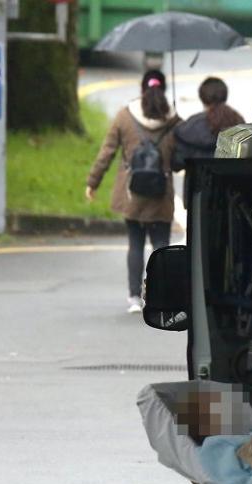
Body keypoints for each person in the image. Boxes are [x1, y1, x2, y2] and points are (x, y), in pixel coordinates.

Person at [86, 70, 180, 314]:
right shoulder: (174, 121)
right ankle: (162, 297)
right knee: (161, 246)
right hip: (161, 194)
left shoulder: (124, 116)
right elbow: (180, 159)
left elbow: (107, 152)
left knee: (135, 244)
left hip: (131, 194)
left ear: (141, 89)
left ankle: (135, 298)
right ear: (164, 90)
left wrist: (93, 182)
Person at [172, 77, 245, 170]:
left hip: (198, 178)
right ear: (225, 95)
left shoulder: (190, 126)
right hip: (233, 178)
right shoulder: (238, 121)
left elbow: (177, 163)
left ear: (202, 97)